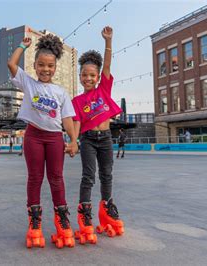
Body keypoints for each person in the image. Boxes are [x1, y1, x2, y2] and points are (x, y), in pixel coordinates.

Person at [8, 34, 78, 248]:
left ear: (55, 67)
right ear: (35, 66)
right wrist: (22, 46)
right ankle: (35, 224)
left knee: (57, 178)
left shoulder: (61, 92)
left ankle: (63, 223)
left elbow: (67, 119)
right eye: (41, 65)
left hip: (55, 139)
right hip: (34, 137)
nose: (45, 69)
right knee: (35, 178)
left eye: (50, 66)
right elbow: (12, 64)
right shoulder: (28, 83)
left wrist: (74, 140)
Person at [71, 26, 125, 244]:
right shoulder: (77, 101)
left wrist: (108, 42)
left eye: (92, 75)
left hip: (105, 139)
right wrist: (73, 141)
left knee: (107, 175)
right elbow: (75, 123)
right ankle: (84, 214)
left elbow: (108, 64)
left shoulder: (103, 89)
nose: (88, 78)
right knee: (88, 176)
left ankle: (107, 208)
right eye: (84, 75)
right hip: (88, 140)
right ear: (80, 76)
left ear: (97, 76)